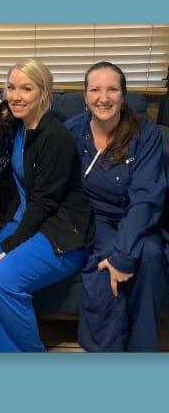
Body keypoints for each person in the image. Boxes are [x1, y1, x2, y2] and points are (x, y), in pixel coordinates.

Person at [0, 58, 95, 352]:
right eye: (11, 88)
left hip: (60, 232)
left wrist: (10, 247)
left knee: (0, 278)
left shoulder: (54, 136)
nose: (17, 95)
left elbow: (45, 204)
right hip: (26, 225)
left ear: (44, 92)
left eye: (27, 88)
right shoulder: (19, 128)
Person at [65, 61, 167, 352]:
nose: (104, 97)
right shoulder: (71, 132)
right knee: (104, 261)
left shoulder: (146, 135)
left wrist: (124, 253)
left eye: (112, 89)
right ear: (84, 97)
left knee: (149, 254)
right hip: (90, 220)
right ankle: (106, 352)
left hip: (136, 218)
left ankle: (142, 351)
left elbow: (146, 196)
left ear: (123, 95)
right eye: (95, 89)